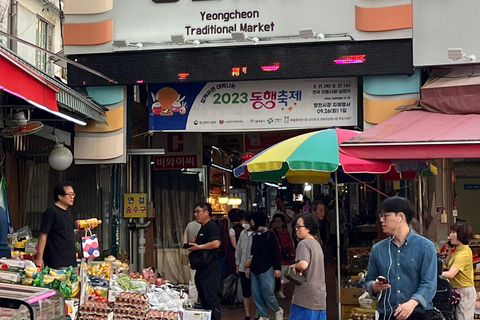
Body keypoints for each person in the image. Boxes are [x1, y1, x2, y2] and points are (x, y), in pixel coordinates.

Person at [365, 197, 438, 320]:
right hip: (388, 314)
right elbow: (369, 280)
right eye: (381, 216)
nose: (381, 220)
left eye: (385, 216)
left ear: (400, 217)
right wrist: (374, 286)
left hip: (418, 314)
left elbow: (429, 283)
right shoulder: (378, 249)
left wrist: (412, 303)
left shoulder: (425, 247)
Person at [35, 182, 95, 269]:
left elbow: (64, 232)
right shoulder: (51, 212)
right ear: (60, 196)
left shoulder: (68, 211)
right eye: (69, 194)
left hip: (70, 260)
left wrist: (81, 230)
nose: (72, 197)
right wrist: (39, 258)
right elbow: (43, 235)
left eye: (73, 194)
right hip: (57, 261)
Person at [246, 212, 284, 320]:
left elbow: (276, 253)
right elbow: (252, 253)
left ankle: (277, 309)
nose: (251, 225)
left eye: (252, 222)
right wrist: (249, 267)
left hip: (267, 268)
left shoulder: (270, 235)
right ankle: (263, 315)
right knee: (256, 294)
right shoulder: (254, 236)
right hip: (254, 269)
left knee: (268, 292)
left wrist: (277, 268)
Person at [187, 202, 221, 320]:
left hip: (210, 269)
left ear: (206, 213)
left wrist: (199, 247)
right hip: (202, 268)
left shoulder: (212, 226)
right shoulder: (203, 227)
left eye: (198, 212)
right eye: (195, 212)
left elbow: (216, 243)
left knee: (210, 297)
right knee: (204, 297)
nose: (195, 214)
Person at [289, 213, 326, 320]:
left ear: (308, 228)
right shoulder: (316, 244)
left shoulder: (304, 244)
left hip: (305, 298)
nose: (296, 229)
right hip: (319, 297)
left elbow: (303, 264)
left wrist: (294, 266)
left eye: (299, 226)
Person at [442, 221, 475, 320]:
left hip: (464, 291)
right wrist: (449, 248)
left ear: (461, 235)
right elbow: (446, 263)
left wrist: (433, 274)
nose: (450, 235)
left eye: (453, 233)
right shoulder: (459, 250)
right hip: (457, 290)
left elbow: (451, 274)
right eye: (450, 232)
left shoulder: (463, 253)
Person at [270, 213, 295, 299]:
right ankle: (274, 290)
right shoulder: (271, 232)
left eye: (279, 221)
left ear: (283, 223)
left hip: (284, 257)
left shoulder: (286, 232)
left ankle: (281, 290)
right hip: (274, 257)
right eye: (275, 221)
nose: (277, 223)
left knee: (284, 274)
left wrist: (292, 254)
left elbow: (290, 243)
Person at [235, 212, 255, 320]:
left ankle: (257, 314)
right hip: (243, 267)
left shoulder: (257, 234)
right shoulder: (243, 233)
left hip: (254, 268)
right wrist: (237, 264)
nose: (244, 224)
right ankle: (247, 314)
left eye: (246, 221)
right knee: (245, 291)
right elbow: (238, 249)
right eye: (243, 221)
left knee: (256, 292)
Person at [183, 219, 202, 304]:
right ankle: (203, 301)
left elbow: (185, 244)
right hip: (206, 258)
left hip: (193, 258)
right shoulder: (208, 226)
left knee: (192, 281)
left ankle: (193, 301)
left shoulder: (189, 225)